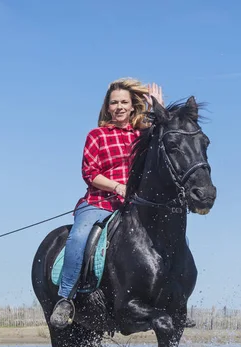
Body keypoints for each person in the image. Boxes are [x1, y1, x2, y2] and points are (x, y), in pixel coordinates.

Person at [50, 78, 164, 328]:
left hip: (136, 205)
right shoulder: (97, 135)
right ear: (108, 107)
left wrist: (157, 108)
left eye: (124, 102)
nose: (120, 107)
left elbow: (164, 141)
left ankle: (171, 295)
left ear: (133, 106)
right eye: (115, 103)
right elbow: (90, 173)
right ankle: (65, 298)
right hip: (99, 202)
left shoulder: (141, 134)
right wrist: (116, 186)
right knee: (79, 237)